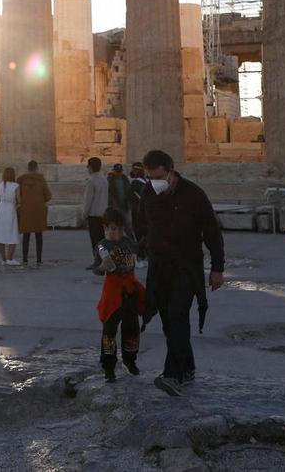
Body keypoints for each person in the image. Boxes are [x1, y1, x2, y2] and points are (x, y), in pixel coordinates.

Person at [134, 148, 225, 397]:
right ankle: (187, 368)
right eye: (150, 177)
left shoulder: (193, 194)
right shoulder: (148, 191)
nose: (155, 182)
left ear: (171, 171)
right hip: (159, 266)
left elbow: (212, 232)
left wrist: (217, 268)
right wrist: (143, 244)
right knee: (169, 322)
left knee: (177, 315)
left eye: (159, 177)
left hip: (187, 266)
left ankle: (172, 375)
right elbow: (141, 221)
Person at [96, 206, 145, 382]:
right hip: (112, 291)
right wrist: (101, 267)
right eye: (112, 229)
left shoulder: (128, 242)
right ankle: (109, 366)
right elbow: (97, 268)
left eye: (119, 229)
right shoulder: (102, 245)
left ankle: (130, 360)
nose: (116, 233)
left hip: (129, 290)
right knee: (109, 330)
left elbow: (140, 250)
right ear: (105, 228)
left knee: (131, 327)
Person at [16, 160, 52, 265]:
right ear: (36, 168)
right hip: (38, 210)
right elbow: (48, 196)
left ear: (28, 168)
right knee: (38, 235)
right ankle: (39, 259)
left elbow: (18, 195)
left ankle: (25, 259)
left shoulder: (21, 180)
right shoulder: (41, 180)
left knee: (26, 236)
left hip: (25, 210)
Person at [81, 157, 109, 272]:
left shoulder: (91, 181)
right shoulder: (104, 180)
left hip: (93, 214)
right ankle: (104, 260)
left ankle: (98, 262)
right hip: (103, 213)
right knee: (102, 240)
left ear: (91, 167)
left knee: (95, 241)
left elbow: (88, 200)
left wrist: (84, 214)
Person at [0, 166, 20, 265]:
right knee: (12, 233)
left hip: (1, 208)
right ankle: (10, 258)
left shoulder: (1, 184)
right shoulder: (15, 186)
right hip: (10, 208)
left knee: (0, 234)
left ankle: (3, 259)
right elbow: (19, 200)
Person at [127, 161, 149, 266]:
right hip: (147, 211)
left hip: (138, 212)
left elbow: (129, 197)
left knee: (139, 233)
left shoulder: (135, 183)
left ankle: (142, 256)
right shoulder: (148, 181)